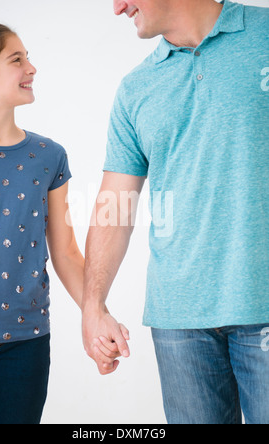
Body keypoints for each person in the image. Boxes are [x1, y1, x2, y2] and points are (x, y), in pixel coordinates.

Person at [82, 0, 269, 425]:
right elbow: (116, 202)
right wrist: (93, 306)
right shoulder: (137, 87)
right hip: (179, 322)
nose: (117, 8)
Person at [0, 23, 118, 425]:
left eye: (29, 57)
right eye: (17, 60)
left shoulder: (48, 156)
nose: (31, 68)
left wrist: (97, 313)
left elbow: (66, 251)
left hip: (27, 341)